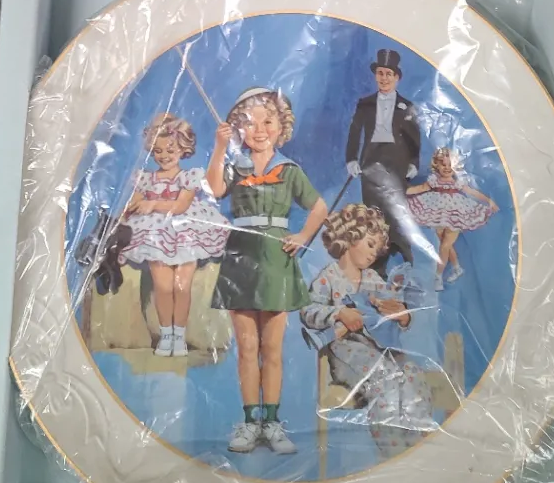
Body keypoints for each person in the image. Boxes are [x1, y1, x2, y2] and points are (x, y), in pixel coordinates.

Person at [207, 87, 328, 455]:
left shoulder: (289, 171)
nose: (259, 130)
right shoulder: (235, 165)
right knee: (247, 347)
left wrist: (303, 237)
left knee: (271, 347)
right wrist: (219, 147)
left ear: (281, 127)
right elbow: (214, 188)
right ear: (238, 129)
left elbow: (319, 207)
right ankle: (249, 422)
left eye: (268, 122)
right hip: (240, 257)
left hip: (276, 260)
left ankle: (272, 422)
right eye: (250, 123)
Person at [300, 204, 433, 457]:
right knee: (384, 377)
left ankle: (417, 443)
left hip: (378, 347)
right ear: (349, 238)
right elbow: (308, 311)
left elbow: (390, 308)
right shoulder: (329, 277)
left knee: (412, 372)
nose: (374, 253)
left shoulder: (372, 279)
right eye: (370, 244)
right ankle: (393, 451)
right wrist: (339, 313)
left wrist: (402, 315)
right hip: (345, 351)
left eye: (377, 248)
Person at [118, 114, 228, 357]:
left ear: (183, 149)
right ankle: (166, 334)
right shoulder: (146, 178)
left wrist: (153, 204)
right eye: (158, 151)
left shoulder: (189, 177)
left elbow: (180, 206)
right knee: (163, 287)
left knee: (182, 287)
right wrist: (131, 208)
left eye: (170, 150)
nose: (164, 156)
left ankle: (179, 335)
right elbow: (134, 203)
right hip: (156, 235)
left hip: (186, 232)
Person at [346, 49, 422, 266]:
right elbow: (355, 132)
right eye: (380, 73)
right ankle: (377, 265)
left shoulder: (407, 106)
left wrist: (413, 163)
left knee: (396, 210)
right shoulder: (365, 103)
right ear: (375, 76)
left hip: (397, 161)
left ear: (397, 77)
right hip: (371, 159)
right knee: (373, 212)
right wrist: (351, 159)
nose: (384, 78)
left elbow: (414, 137)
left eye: (389, 74)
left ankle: (406, 259)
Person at [407, 148, 499, 290]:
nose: (447, 168)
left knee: (445, 246)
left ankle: (438, 276)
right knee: (444, 243)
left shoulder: (457, 182)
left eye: (450, 165)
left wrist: (489, 201)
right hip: (437, 210)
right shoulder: (434, 180)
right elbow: (420, 188)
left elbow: (472, 191)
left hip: (456, 211)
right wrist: (401, 190)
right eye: (443, 164)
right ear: (437, 165)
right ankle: (457, 268)